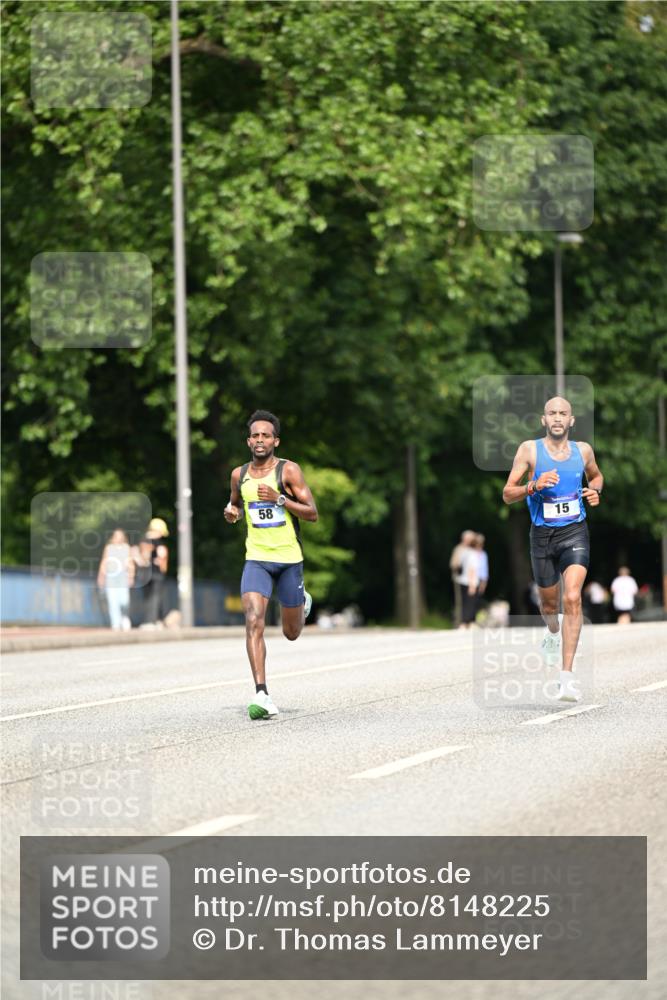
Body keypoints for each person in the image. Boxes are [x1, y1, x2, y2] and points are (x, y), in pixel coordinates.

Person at [502, 396, 604, 702]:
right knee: (549, 606)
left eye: (563, 413)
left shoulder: (583, 450)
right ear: (543, 420)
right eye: (552, 413)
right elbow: (508, 493)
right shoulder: (529, 450)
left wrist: (595, 491)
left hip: (575, 531)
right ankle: (552, 631)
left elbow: (596, 476)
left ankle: (567, 678)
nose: (557, 417)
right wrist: (534, 485)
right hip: (542, 536)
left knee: (572, 597)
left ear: (571, 421)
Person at [224, 410, 318, 720]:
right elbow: (235, 503)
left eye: (266, 435)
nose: (260, 440)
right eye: (255, 436)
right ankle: (262, 693)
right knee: (253, 619)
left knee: (291, 633)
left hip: (289, 560)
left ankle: (300, 602)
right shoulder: (240, 474)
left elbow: (311, 512)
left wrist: (279, 499)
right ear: (248, 441)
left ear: (275, 440)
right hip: (257, 558)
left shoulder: (288, 471)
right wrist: (232, 512)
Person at [97, 529, 134, 631]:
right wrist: (101, 576)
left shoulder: (127, 548)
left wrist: (131, 576)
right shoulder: (109, 548)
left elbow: (130, 563)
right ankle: (115, 623)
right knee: (113, 601)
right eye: (116, 536)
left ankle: (124, 617)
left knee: (124, 600)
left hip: (123, 577)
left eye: (120, 536)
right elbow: (104, 562)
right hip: (111, 577)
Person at [138, 517, 169, 626]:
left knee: (148, 597)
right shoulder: (157, 543)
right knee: (155, 597)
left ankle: (153, 620)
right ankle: (153, 621)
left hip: (144, 573)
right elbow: (161, 558)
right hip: (156, 574)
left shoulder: (142, 540)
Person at [450, 530, 476, 627]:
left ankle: (469, 621)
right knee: (460, 602)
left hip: (469, 579)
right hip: (460, 579)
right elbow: (453, 564)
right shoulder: (459, 549)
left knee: (470, 602)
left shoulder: (472, 550)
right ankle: (460, 622)